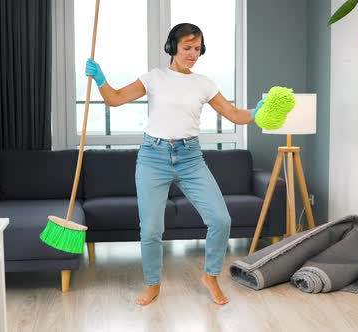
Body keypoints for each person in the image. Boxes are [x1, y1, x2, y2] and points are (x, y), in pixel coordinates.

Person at [86, 23, 265, 306]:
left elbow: (234, 114)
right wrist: (100, 79)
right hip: (153, 157)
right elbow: (115, 99)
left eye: (197, 49)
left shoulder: (204, 83)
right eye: (187, 48)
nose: (193, 54)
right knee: (151, 229)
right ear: (172, 48)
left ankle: (211, 276)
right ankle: (153, 284)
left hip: (190, 158)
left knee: (221, 219)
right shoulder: (154, 78)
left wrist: (258, 111)